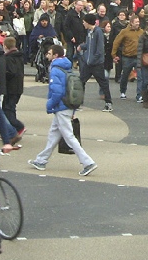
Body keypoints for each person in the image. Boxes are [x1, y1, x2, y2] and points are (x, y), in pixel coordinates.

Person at [28, 44, 97, 177]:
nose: (47, 55)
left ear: (55, 55)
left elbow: (57, 92)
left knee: (69, 136)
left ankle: (88, 162)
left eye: (49, 53)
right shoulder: (66, 67)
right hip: (68, 105)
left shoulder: (55, 69)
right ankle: (41, 160)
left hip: (61, 107)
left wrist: (49, 105)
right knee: (54, 134)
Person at [80, 13, 114, 112]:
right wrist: (82, 47)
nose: (83, 24)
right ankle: (79, 102)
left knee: (103, 83)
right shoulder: (89, 32)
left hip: (96, 64)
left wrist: (92, 60)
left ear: (88, 22)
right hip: (88, 62)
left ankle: (108, 103)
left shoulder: (98, 32)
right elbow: (89, 45)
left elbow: (99, 50)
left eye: (84, 22)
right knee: (81, 81)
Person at [112, 14, 143, 100]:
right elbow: (116, 42)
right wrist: (113, 55)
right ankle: (122, 91)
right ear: (131, 23)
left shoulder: (141, 32)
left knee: (140, 76)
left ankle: (139, 95)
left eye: (138, 22)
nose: (138, 24)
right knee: (125, 75)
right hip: (127, 57)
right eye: (136, 22)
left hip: (138, 57)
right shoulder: (124, 31)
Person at [2, 36, 26, 135]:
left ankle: (18, 126)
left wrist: (4, 74)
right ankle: (12, 129)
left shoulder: (8, 58)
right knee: (11, 108)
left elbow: (11, 72)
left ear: (5, 46)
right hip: (18, 87)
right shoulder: (19, 56)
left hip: (11, 88)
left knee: (7, 109)